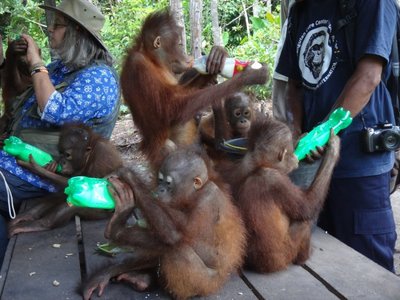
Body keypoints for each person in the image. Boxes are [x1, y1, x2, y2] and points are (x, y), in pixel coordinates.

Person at [276, 0, 398, 272]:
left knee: (367, 266)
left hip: (357, 162)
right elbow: (294, 84)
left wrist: (322, 133)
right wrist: (298, 133)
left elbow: (368, 77)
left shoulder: (374, 3)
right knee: (319, 260)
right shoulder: (301, 10)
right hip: (311, 165)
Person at [0, 0, 120, 264]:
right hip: (15, 157)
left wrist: (36, 62)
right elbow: (20, 97)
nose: (49, 30)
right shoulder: (62, 69)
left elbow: (54, 110)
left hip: (46, 172)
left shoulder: (98, 78)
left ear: (77, 34)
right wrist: (14, 60)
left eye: (57, 26)